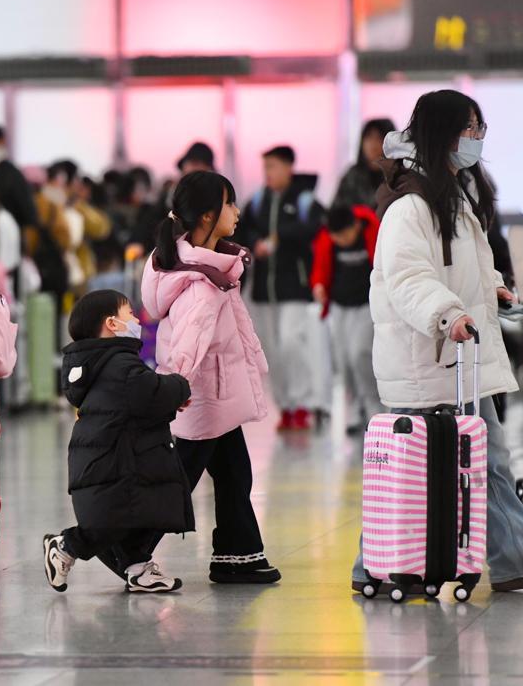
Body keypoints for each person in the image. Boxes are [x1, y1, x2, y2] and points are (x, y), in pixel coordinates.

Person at [351, 89, 523, 593]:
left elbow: (466, 266)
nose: (477, 138)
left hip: (458, 361)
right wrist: (448, 313)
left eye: (480, 128)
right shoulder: (411, 206)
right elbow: (408, 280)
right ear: (442, 132)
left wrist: (491, 290)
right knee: (425, 473)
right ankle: (375, 566)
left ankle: (513, 560)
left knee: (481, 462)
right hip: (429, 361)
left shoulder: (450, 194)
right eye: (469, 128)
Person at [141, 170, 281, 584]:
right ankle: (124, 549)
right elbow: (190, 340)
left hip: (215, 394)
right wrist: (176, 386)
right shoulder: (203, 281)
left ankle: (238, 555)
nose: (237, 212)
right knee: (178, 480)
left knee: (235, 472)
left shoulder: (207, 266)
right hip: (201, 397)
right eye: (230, 204)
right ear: (206, 217)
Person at [43, 290, 193, 594]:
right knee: (115, 520)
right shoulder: (120, 363)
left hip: (111, 456)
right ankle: (65, 546)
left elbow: (139, 399)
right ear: (112, 323)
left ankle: (137, 569)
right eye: (130, 314)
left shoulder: (98, 363)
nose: (136, 320)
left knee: (144, 510)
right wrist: (180, 386)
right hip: (114, 461)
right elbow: (150, 391)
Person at [236, 145, 328, 431]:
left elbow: (317, 226)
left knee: (291, 343)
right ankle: (285, 406)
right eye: (265, 168)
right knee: (271, 351)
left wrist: (278, 238)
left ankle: (302, 403)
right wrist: (256, 243)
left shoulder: (304, 200)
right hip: (264, 291)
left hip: (295, 288)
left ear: (289, 167)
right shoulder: (259, 201)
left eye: (273, 167)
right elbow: (241, 229)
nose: (269, 173)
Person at [310, 204, 382, 432]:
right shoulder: (328, 238)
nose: (340, 241)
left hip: (365, 304)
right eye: (335, 237)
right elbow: (320, 268)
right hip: (339, 306)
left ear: (356, 226)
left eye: (343, 236)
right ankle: (353, 406)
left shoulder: (372, 231)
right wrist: (319, 286)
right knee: (343, 358)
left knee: (360, 352)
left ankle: (373, 404)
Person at [332, 118, 396, 213]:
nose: (373, 144)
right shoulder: (352, 175)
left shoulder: (397, 176)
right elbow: (336, 210)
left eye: (379, 138)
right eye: (369, 137)